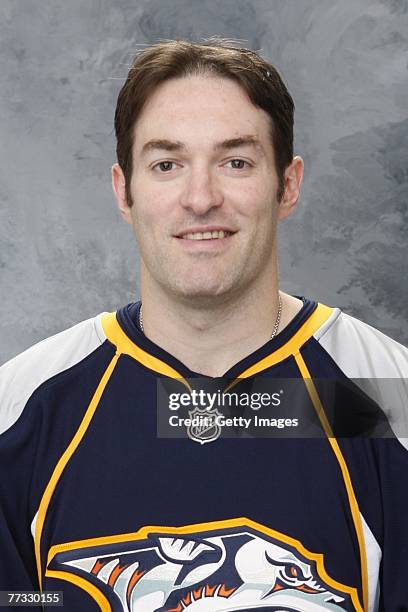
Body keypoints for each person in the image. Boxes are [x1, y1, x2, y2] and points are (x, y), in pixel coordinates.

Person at [0, 38, 407, 612]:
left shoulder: (385, 399)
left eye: (235, 162)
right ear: (125, 191)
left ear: (286, 185)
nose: (200, 199)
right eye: (167, 165)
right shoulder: (21, 409)